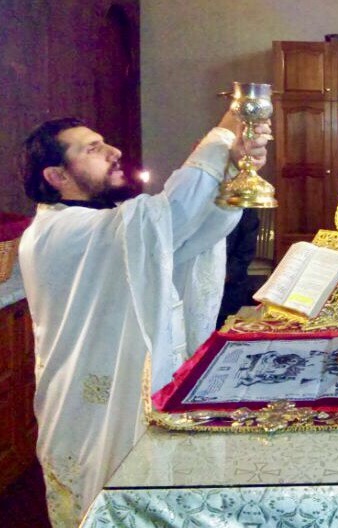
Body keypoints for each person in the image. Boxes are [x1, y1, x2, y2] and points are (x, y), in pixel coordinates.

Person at [18, 110, 270, 527]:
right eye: (93, 149)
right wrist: (224, 134)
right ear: (57, 176)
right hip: (89, 408)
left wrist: (233, 172)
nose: (114, 152)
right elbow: (170, 216)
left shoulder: (104, 221)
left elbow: (189, 236)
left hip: (132, 391)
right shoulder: (57, 231)